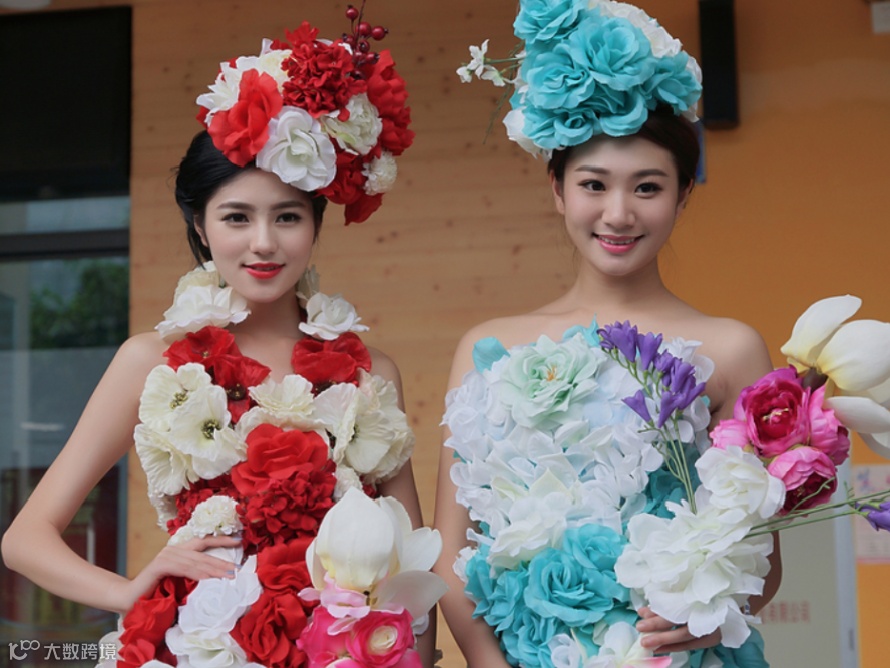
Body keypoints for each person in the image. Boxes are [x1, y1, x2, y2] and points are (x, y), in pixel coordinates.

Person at [2, 7, 438, 667]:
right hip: (200, 645)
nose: (263, 243)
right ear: (201, 227)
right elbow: (25, 539)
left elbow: (410, 568)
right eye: (236, 217)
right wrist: (131, 592)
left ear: (315, 224)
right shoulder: (151, 361)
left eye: (287, 217)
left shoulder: (369, 372)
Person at [434, 2, 782, 667]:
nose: (618, 214)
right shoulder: (487, 347)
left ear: (683, 196)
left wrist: (710, 615)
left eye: (647, 188)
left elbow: (762, 558)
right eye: (594, 184)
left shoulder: (732, 348)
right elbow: (452, 550)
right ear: (558, 189)